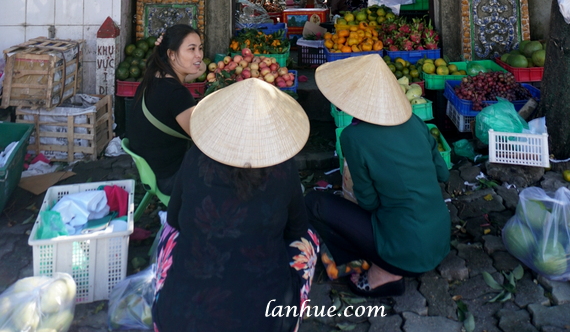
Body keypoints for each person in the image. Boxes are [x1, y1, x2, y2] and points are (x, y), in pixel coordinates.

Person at [152, 78, 319, 332]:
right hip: (268, 322)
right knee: (310, 241)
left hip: (178, 319)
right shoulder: (283, 169)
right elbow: (297, 230)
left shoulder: (195, 157)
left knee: (168, 234)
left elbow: (174, 221)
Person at [305, 54, 450, 297]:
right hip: (439, 240)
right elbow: (443, 173)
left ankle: (384, 272)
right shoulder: (415, 121)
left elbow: (369, 201)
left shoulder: (354, 137)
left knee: (314, 203)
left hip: (405, 251)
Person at [127, 24, 205, 194]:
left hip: (153, 170)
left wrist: (167, 48)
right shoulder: (176, 94)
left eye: (200, 48)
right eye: (191, 49)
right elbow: (204, 139)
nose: (198, 54)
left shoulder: (154, 76)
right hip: (171, 179)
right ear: (171, 54)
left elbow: (201, 69)